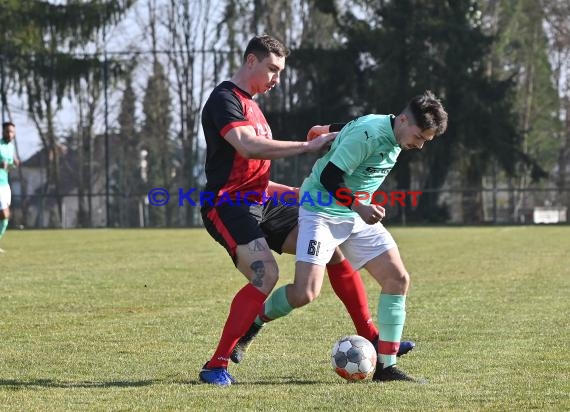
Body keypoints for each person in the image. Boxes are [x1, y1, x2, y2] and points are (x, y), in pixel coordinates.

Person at [198, 35, 414, 386]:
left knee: (331, 252)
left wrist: (295, 194)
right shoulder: (224, 100)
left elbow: (254, 175)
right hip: (228, 206)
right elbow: (248, 147)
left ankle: (372, 336)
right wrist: (306, 146)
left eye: (279, 71)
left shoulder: (252, 104)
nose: (276, 79)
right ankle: (216, 365)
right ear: (250, 60)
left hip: (263, 199)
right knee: (264, 275)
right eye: (272, 69)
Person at [240, 91, 448, 382]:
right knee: (304, 293)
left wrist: (326, 130)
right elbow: (330, 178)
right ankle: (252, 324)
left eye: (426, 140)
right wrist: (360, 206)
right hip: (321, 212)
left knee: (397, 279)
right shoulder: (368, 134)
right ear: (403, 120)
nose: (420, 145)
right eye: (420, 137)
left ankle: (386, 367)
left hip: (355, 216)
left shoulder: (393, 132)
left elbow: (348, 128)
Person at [0, 122, 19, 253]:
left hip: (5, 185)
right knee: (4, 214)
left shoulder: (11, 147)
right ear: (3, 132)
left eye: (12, 132)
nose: (10, 134)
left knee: (5, 220)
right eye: (7, 131)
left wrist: (15, 164)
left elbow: (10, 165)